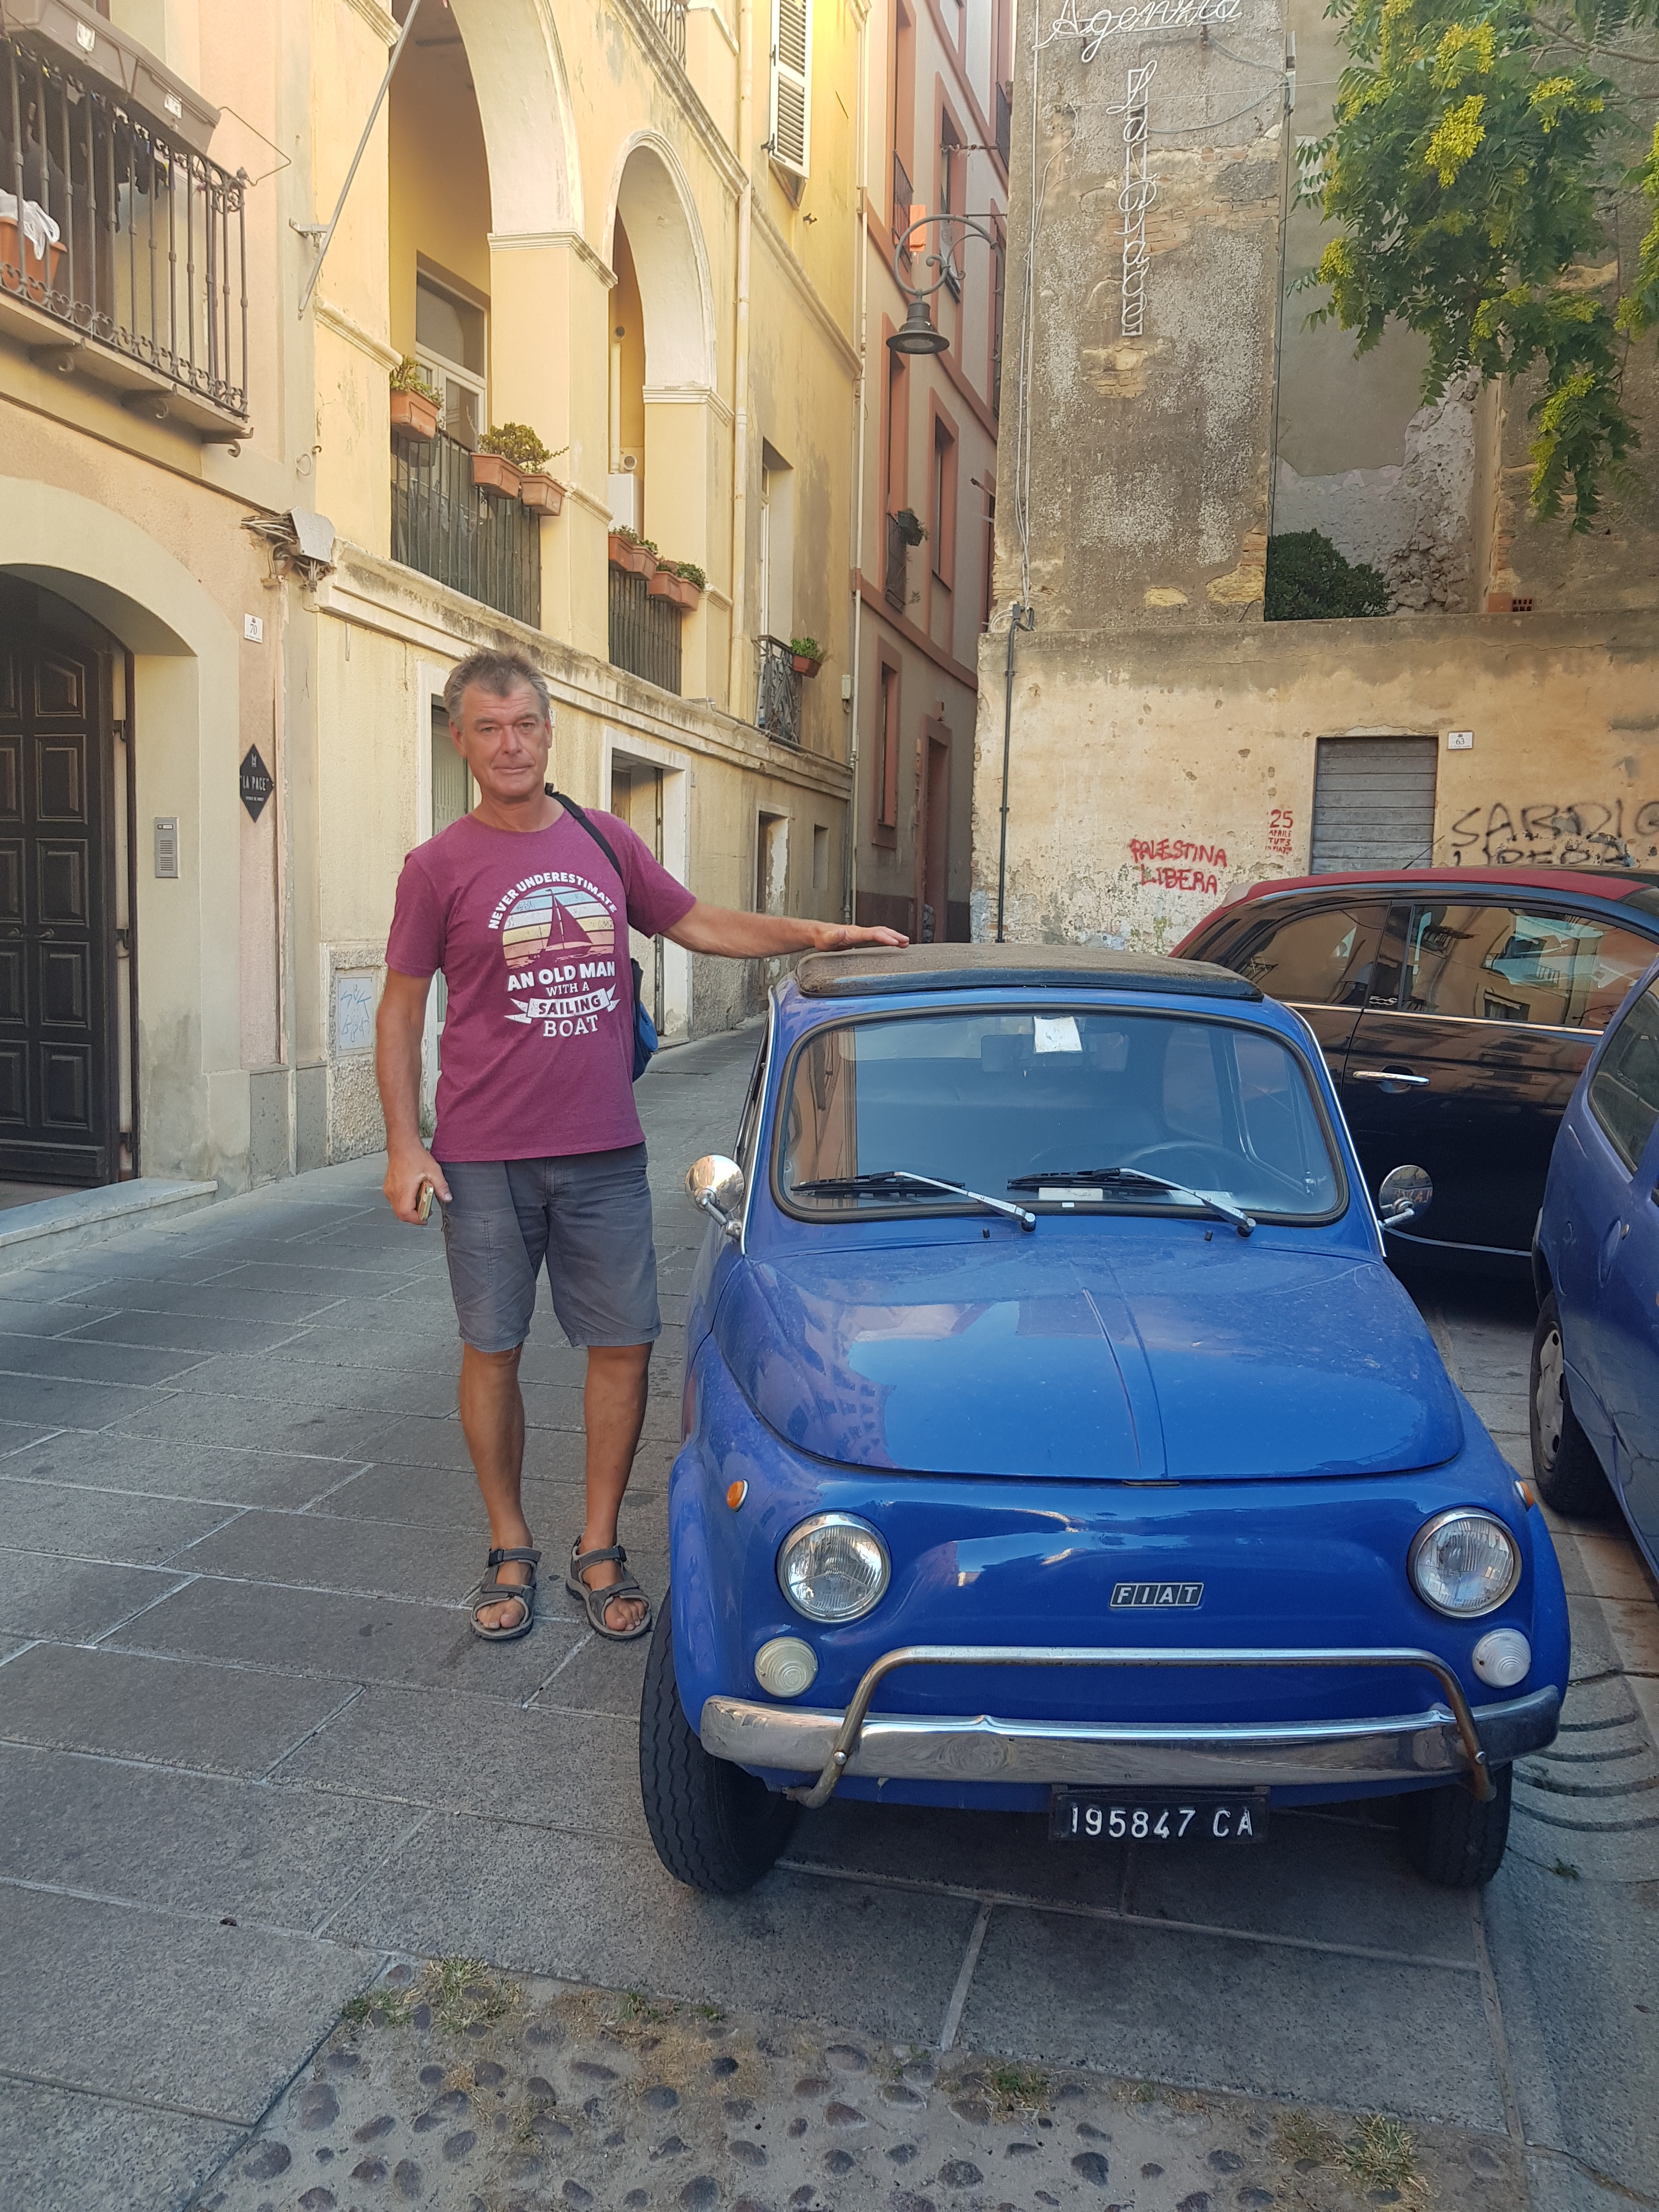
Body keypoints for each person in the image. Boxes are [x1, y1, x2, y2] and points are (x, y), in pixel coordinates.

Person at [376, 648, 906, 1644]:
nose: (510, 745)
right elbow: (401, 1011)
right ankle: (508, 1543)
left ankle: (598, 1545)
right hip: (483, 1154)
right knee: (492, 1348)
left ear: (550, 731)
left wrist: (820, 936)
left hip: (603, 1148)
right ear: (460, 740)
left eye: (524, 725)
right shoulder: (437, 867)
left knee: (624, 1346)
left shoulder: (603, 839)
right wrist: (407, 1145)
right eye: (488, 728)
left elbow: (699, 923)